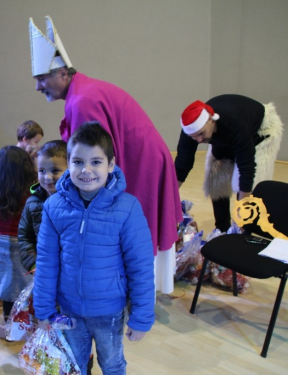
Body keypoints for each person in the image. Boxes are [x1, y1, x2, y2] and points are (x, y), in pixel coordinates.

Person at [28, 16, 181, 294]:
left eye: (42, 78)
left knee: (130, 225)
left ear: (63, 73)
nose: (38, 86)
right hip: (145, 157)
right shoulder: (81, 91)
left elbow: (92, 164)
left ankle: (136, 289)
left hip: (141, 163)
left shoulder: (83, 100)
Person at [33, 123, 155, 374]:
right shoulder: (54, 206)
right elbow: (46, 262)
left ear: (111, 164)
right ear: (68, 163)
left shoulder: (128, 208)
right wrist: (44, 308)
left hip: (109, 311)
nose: (86, 170)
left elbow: (140, 266)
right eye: (77, 162)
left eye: (96, 162)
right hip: (69, 310)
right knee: (74, 363)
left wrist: (141, 315)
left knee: (111, 363)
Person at [175, 95, 284, 232]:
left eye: (201, 134)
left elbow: (247, 168)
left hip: (260, 132)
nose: (198, 140)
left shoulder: (235, 125)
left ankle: (244, 231)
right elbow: (182, 164)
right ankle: (222, 228)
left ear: (211, 120)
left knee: (250, 187)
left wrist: (241, 212)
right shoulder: (192, 130)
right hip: (223, 135)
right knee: (216, 182)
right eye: (194, 137)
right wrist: (169, 196)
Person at [0, 146, 37, 321]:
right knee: (27, 284)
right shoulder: (30, 190)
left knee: (7, 285)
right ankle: (27, 321)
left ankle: (9, 320)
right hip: (23, 242)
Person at [18, 140, 67, 272]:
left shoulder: (78, 203)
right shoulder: (32, 203)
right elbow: (25, 238)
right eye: (42, 171)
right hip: (44, 270)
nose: (47, 177)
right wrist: (33, 263)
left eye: (55, 170)